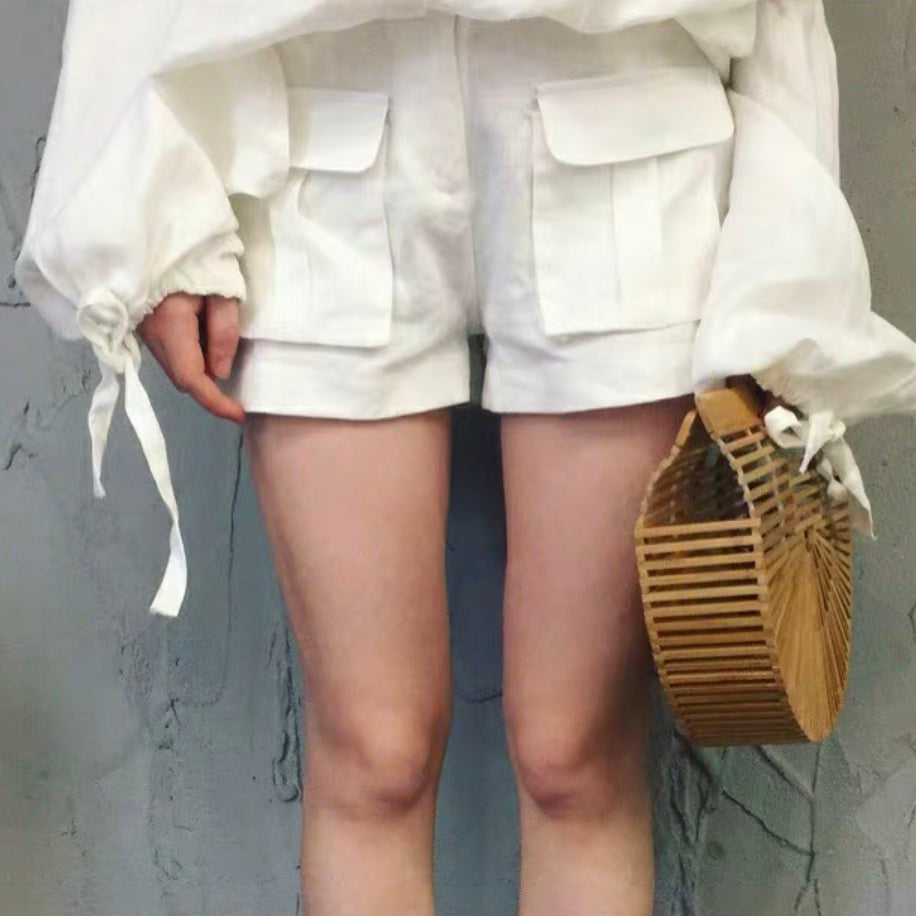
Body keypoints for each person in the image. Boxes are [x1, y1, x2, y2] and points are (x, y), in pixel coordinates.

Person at [15, 1, 916, 913]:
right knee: (373, 757)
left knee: (576, 758)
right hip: (317, 130)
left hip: (624, 108)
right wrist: (151, 211)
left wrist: (789, 270)